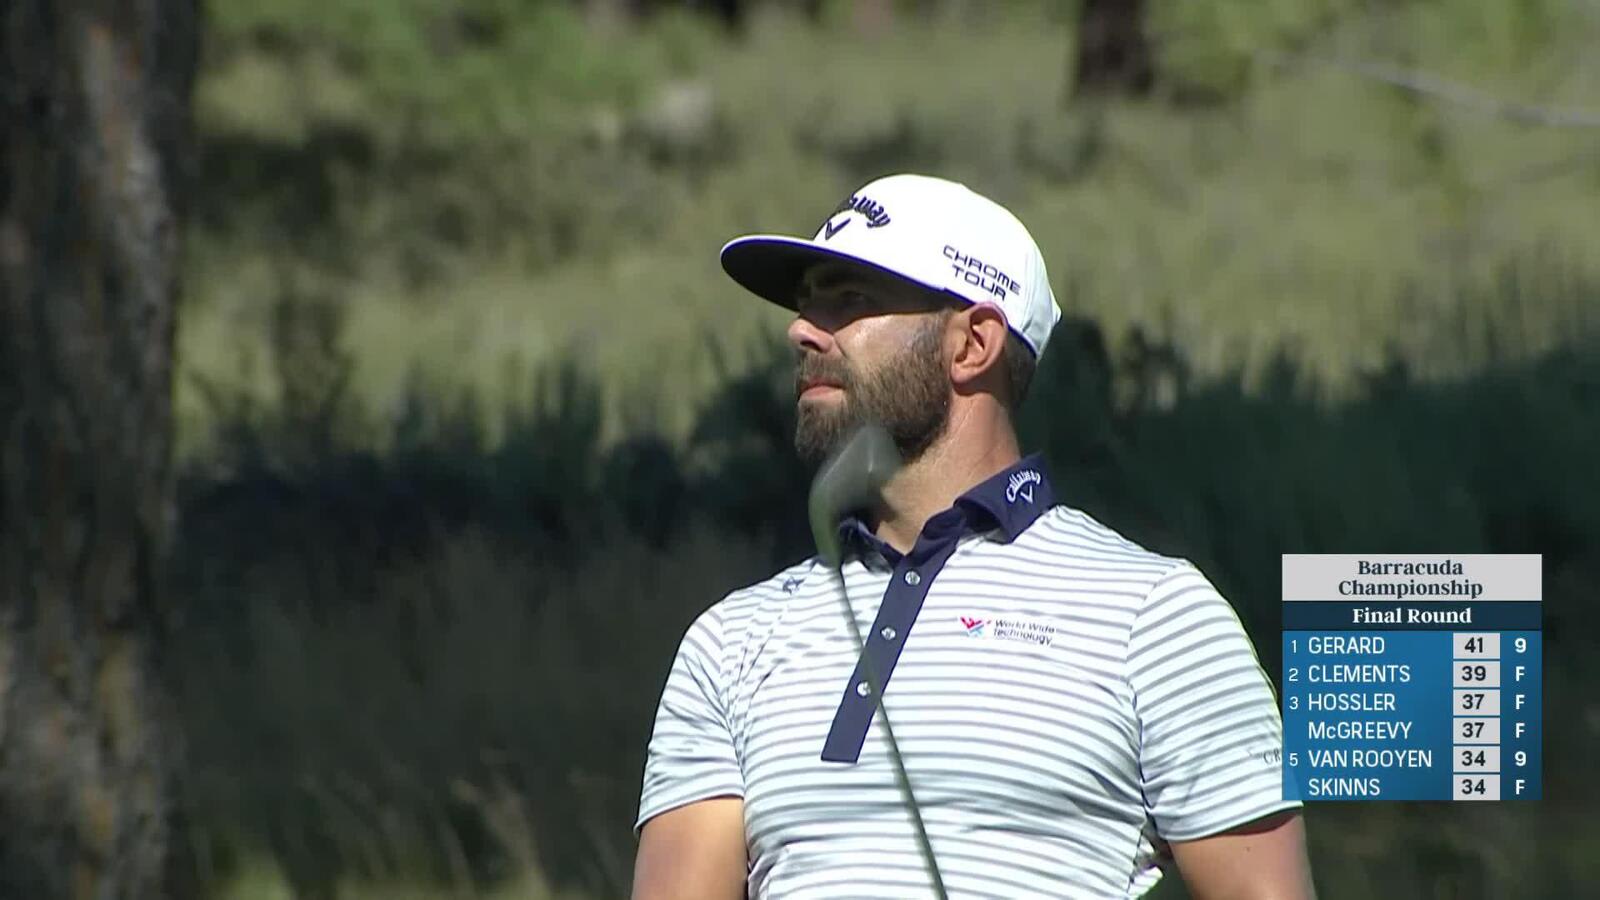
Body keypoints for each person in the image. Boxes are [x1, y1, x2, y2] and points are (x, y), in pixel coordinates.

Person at [632, 174, 1313, 899]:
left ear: (973, 344)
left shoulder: (1156, 614)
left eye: (850, 299)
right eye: (807, 303)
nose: (802, 329)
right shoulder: (733, 638)